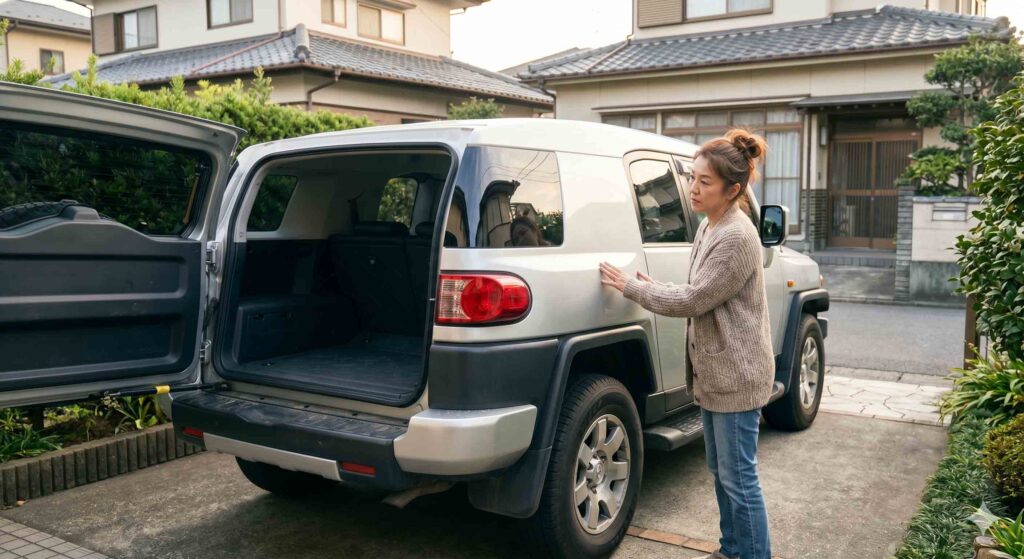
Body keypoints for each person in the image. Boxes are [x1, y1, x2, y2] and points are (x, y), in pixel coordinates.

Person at [599, 129, 774, 559]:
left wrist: (632, 288)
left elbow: (695, 299)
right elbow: (703, 291)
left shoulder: (735, 235)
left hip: (737, 376)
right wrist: (655, 285)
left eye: (704, 182)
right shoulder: (711, 225)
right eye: (692, 178)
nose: (692, 188)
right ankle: (732, 548)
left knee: (739, 479)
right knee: (723, 472)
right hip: (720, 374)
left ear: (733, 189)